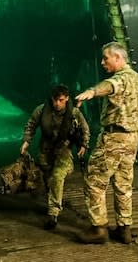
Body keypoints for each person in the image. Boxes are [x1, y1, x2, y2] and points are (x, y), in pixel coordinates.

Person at [75, 42, 138, 244]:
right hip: (132, 138)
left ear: (118, 57)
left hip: (114, 138)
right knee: (123, 184)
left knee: (94, 180)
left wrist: (91, 91)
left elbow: (110, 86)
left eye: (105, 58)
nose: (102, 62)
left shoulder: (121, 78)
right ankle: (124, 229)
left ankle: (98, 228)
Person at [21, 84, 90, 230]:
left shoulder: (74, 113)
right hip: (46, 150)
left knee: (57, 176)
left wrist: (84, 144)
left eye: (61, 100)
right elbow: (31, 125)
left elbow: (84, 128)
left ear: (66, 99)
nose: (57, 104)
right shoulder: (42, 110)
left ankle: (53, 213)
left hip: (63, 150)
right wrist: (26, 141)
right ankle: (52, 198)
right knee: (47, 177)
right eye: (55, 100)